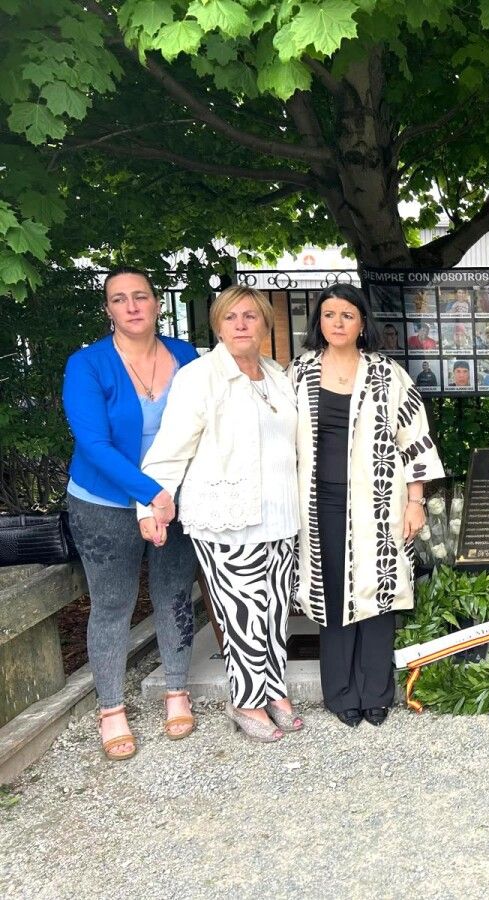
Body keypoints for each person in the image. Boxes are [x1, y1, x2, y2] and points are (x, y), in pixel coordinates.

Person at [138, 285, 302, 743]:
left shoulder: (276, 375)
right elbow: (169, 450)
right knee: (241, 612)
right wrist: (150, 504)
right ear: (218, 325)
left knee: (272, 610)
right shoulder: (200, 377)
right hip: (228, 515)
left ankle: (273, 688)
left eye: (250, 316)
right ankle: (245, 699)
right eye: (231, 318)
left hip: (279, 514)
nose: (241, 325)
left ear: (266, 323)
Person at [289, 285, 445, 728]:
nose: (337, 322)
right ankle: (340, 693)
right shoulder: (298, 374)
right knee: (330, 593)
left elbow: (414, 440)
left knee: (378, 590)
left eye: (347, 315)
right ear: (318, 321)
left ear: (362, 324)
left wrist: (416, 501)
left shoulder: (387, 374)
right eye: (329, 314)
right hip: (317, 503)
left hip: (379, 502)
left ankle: (377, 692)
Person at [63, 267, 200, 761]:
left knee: (174, 593)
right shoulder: (88, 364)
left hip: (176, 501)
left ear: (157, 303)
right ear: (109, 310)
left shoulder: (186, 357)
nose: (132, 306)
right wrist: (151, 494)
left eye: (140, 296)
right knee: (114, 603)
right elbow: (94, 444)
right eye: (119, 300)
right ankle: (112, 708)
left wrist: (172, 496)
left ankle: (177, 690)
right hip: (105, 504)